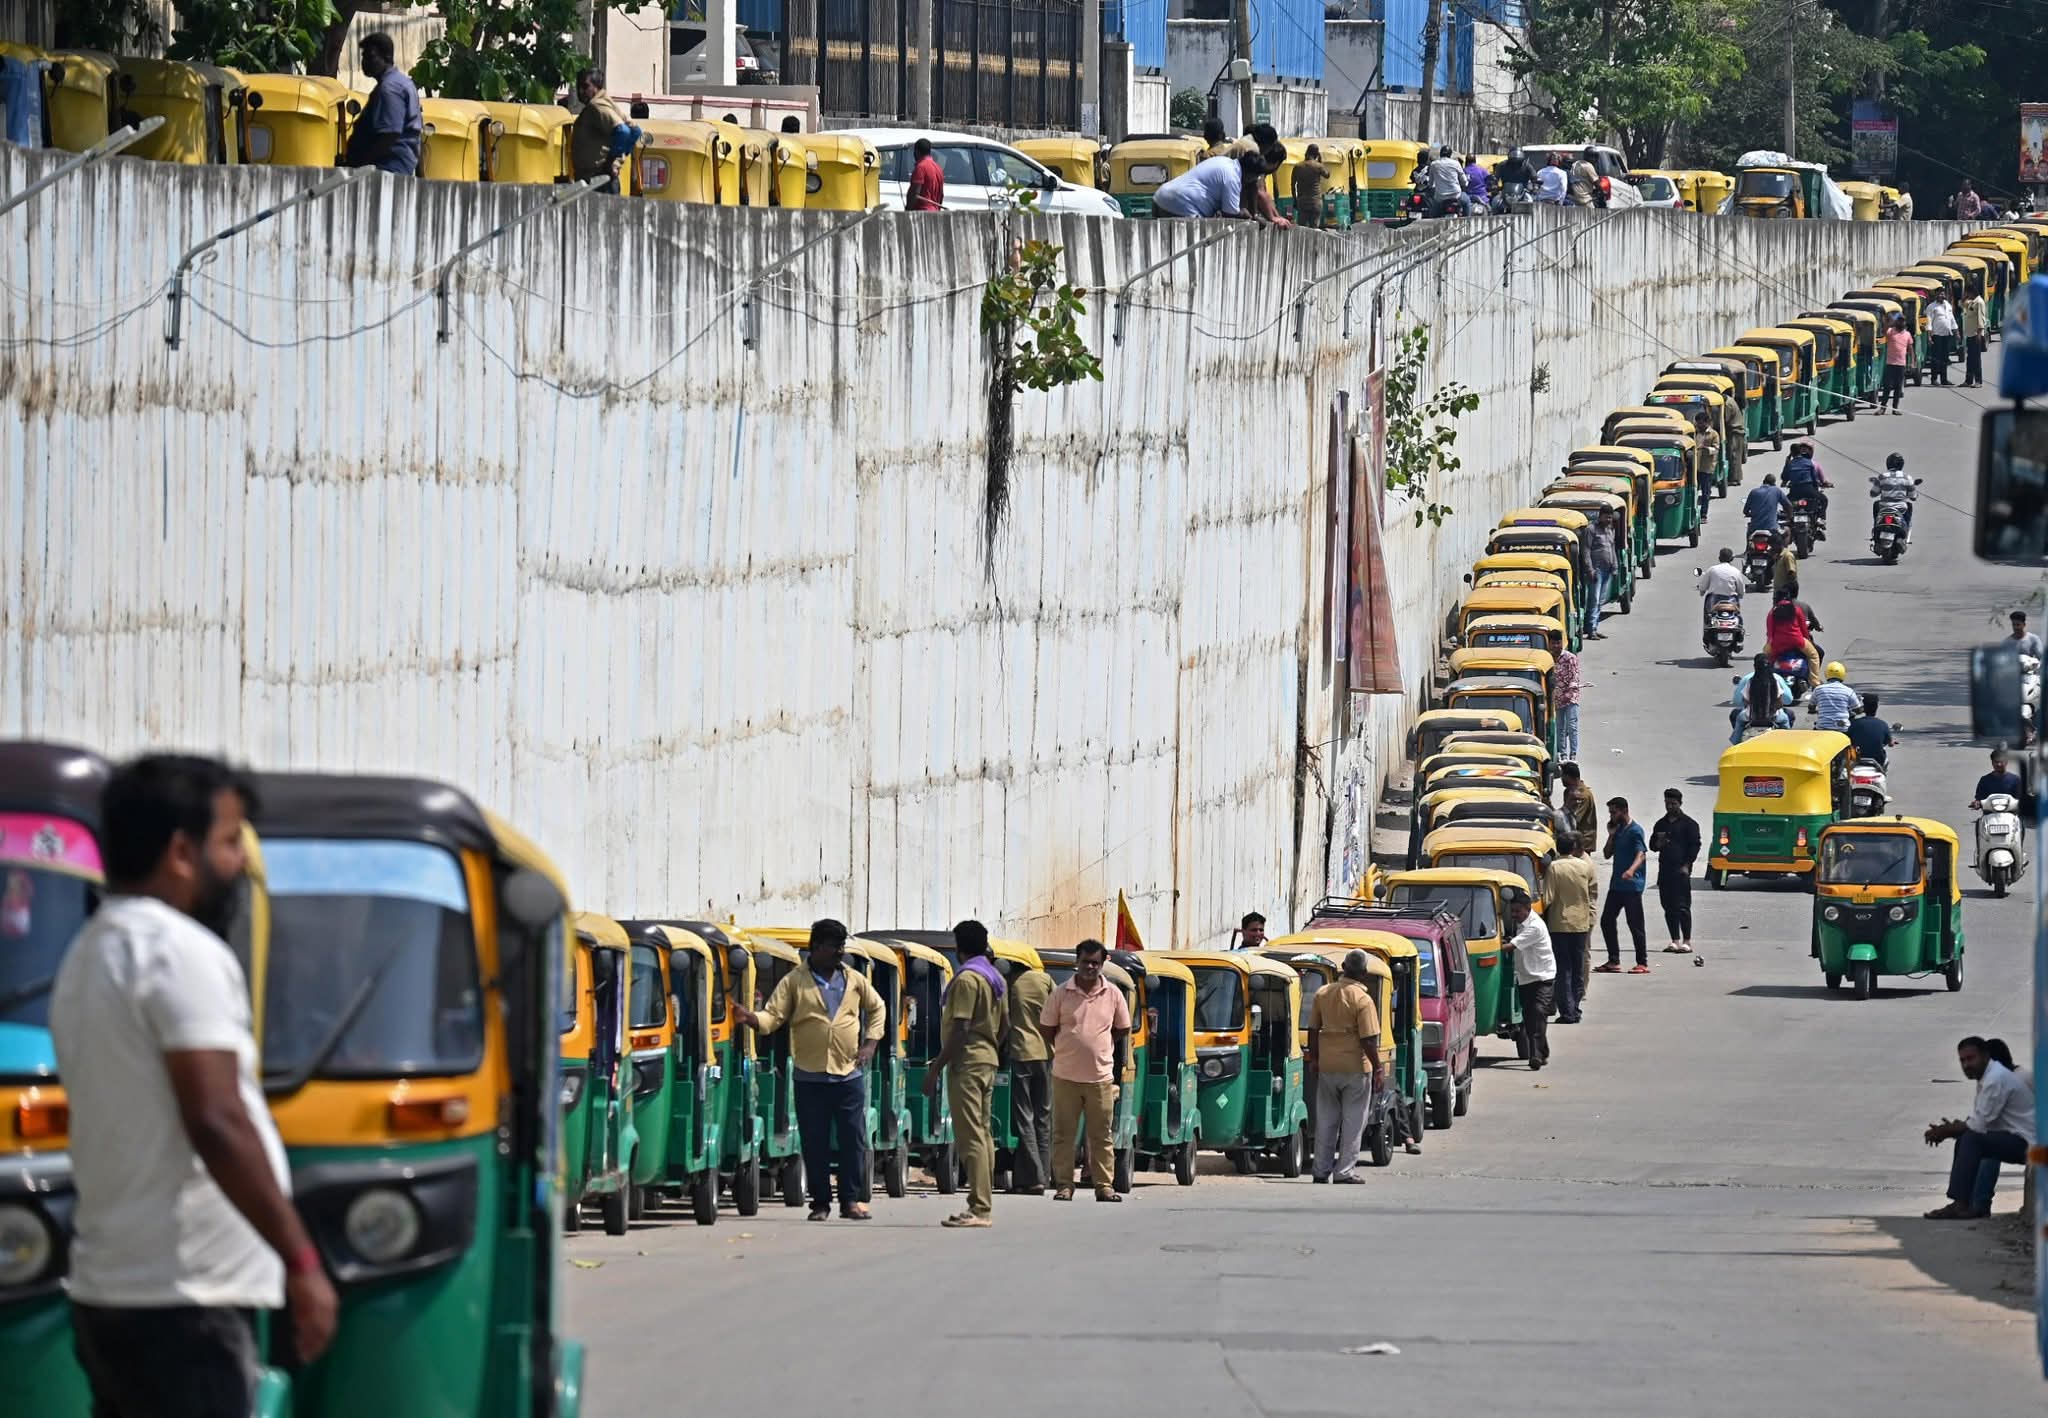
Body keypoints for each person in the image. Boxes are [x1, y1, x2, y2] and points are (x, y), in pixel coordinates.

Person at [50, 756, 338, 1411]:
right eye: (230, 842)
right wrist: (302, 1263)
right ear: (182, 852)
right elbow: (216, 1118)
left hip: (113, 1292)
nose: (238, 863)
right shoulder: (179, 952)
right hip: (185, 1303)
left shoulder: (87, 953)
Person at [737, 918, 886, 1220]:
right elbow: (773, 1016)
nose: (839, 954)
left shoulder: (855, 979)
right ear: (815, 948)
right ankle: (820, 1204)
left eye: (842, 947)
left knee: (853, 1140)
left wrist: (870, 1043)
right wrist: (752, 1019)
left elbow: (877, 1007)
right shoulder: (794, 981)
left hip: (848, 1075)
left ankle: (851, 1201)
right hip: (810, 1076)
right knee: (814, 1142)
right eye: (834, 947)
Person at [924, 920, 1005, 1226]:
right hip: (987, 1059)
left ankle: (980, 1208)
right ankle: (980, 1202)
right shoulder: (994, 977)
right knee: (983, 1135)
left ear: (959, 947)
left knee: (971, 1137)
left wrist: (936, 1068)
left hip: (968, 1063)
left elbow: (960, 1029)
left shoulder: (968, 980)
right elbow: (1006, 1025)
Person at [1038, 938, 1132, 1202]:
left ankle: (1104, 1186)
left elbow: (1123, 1028)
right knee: (1063, 1135)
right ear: (1076, 963)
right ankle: (1064, 1186)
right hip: (1065, 1076)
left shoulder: (1113, 994)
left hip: (1100, 1078)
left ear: (1102, 964)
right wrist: (1067, 1045)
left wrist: (1102, 1045)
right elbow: (1046, 1027)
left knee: (1101, 1136)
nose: (1089, 967)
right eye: (1085, 962)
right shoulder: (1060, 993)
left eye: (1095, 963)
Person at [1923, 1035, 2034, 1219]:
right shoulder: (1989, 1076)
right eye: (1962, 1060)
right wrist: (1951, 1129)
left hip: (2029, 1144)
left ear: (1985, 1056)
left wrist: (1945, 1131)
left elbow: (1977, 1125)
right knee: (1967, 1139)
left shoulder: (1995, 1079)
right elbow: (1980, 1120)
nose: (1966, 1065)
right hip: (2018, 1138)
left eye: (1971, 1058)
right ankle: (1962, 1202)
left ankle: (1964, 1204)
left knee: (1972, 1139)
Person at [1304, 948, 1382, 1183]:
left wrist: (1315, 1059)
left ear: (1343, 969)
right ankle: (1344, 1171)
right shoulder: (1363, 1000)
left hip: (1327, 1065)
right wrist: (1378, 1067)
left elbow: (1312, 1030)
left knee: (1326, 1121)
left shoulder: (1322, 993)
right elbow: (1368, 1039)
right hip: (1355, 1069)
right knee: (1353, 1122)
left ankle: (1320, 1170)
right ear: (1364, 973)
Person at [1004, 960, 1055, 1195]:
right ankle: (1042, 1176)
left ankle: (1034, 1177)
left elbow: (1005, 1021)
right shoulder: (1044, 980)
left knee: (1024, 1118)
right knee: (1043, 1118)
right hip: (1046, 1054)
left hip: (1021, 1054)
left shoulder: (1012, 984)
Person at [343, 32, 421, 175]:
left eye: (371, 57)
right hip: (394, 167)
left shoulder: (389, 89)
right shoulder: (403, 83)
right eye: (363, 57)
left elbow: (389, 136)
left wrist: (360, 164)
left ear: (387, 57)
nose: (365, 62)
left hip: (386, 169)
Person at [1542, 833, 1598, 1024]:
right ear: (1574, 848)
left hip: (1559, 924)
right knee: (1577, 968)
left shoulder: (1554, 868)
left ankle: (1567, 1011)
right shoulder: (1585, 866)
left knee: (1563, 968)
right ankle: (1575, 1008)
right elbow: (1592, 892)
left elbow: (1547, 898)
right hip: (1581, 923)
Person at [1503, 887, 1556, 1068]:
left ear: (1528, 908)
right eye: (1513, 911)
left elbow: (1511, 947)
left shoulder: (1534, 926)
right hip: (1526, 977)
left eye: (1518, 911)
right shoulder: (1521, 923)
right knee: (1529, 1016)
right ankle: (1543, 1050)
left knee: (1538, 1012)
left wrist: (1486, 946)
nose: (1515, 915)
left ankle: (1536, 1056)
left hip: (1542, 976)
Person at [1597, 796, 1649, 973]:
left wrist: (1631, 870)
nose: (1611, 816)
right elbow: (1606, 854)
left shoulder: (1635, 830)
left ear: (1624, 810)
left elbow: (1641, 854)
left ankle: (1642, 962)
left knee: (1635, 924)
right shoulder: (1618, 831)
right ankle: (1613, 960)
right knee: (1606, 920)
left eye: (1614, 812)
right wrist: (1611, 836)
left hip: (1632, 885)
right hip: (1617, 885)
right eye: (1610, 812)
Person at [1648, 788, 1700, 954]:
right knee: (1668, 906)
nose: (1670, 806)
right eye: (1667, 803)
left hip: (1681, 872)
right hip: (1665, 872)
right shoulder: (1660, 824)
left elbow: (1695, 846)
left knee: (1683, 907)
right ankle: (1674, 940)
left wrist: (1687, 865)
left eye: (1673, 803)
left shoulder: (1689, 824)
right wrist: (1658, 843)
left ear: (1680, 803)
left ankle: (1687, 941)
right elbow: (1652, 846)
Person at [569, 68, 635, 189]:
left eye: (585, 86)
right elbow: (635, 131)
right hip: (599, 179)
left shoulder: (596, 106)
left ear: (596, 87)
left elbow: (624, 132)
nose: (580, 91)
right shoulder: (605, 103)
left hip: (598, 180)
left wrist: (610, 162)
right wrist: (618, 160)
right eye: (578, 86)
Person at [1152, 152, 1249, 220]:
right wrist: (1245, 214)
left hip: (1160, 196)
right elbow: (1230, 213)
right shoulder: (1233, 178)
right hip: (1182, 205)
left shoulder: (1224, 161)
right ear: (1251, 175)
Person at [1547, 629, 1582, 760]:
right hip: (1556, 699)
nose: (1556, 646)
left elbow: (1575, 677)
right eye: (1553, 643)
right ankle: (1563, 753)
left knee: (1572, 725)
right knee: (1559, 727)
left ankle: (1573, 754)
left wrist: (1569, 692)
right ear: (1549, 644)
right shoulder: (1548, 659)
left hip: (1570, 697)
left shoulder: (1570, 658)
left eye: (1558, 643)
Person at [1781, 441, 1829, 530]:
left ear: (1791, 453)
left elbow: (1784, 477)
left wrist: (1786, 462)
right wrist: (1815, 487)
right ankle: (1821, 519)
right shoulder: (1808, 462)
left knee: (1785, 503)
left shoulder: (1790, 464)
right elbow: (1814, 478)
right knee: (1824, 499)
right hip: (1808, 490)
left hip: (1794, 491)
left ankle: (1789, 519)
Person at [1587, 509, 1619, 638]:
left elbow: (1612, 549)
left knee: (1600, 601)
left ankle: (1595, 627)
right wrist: (1590, 570)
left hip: (1607, 570)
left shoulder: (1610, 530)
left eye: (1610, 518)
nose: (1608, 520)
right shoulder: (1591, 530)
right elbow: (1586, 551)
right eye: (1606, 517)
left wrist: (1615, 567)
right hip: (1596, 571)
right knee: (1594, 600)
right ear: (1600, 517)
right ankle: (1590, 630)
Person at [1871, 452, 1917, 537]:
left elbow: (1873, 493)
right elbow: (1913, 496)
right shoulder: (1907, 477)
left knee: (1876, 504)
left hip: (1884, 507)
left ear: (1888, 463)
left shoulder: (1882, 476)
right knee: (1909, 506)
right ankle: (1905, 532)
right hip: (1901, 508)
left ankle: (1876, 528)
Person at [1559, 762, 1598, 854]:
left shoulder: (1582, 795)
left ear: (1571, 777)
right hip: (1572, 838)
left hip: (1581, 841)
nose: (1562, 779)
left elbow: (1574, 819)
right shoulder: (1568, 791)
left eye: (1564, 776)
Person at [1847, 692, 1893, 767]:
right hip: (1878, 760)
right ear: (1876, 707)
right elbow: (1889, 743)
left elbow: (1848, 740)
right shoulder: (1882, 724)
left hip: (1857, 760)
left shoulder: (1854, 724)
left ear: (1863, 708)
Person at [1811, 661, 1860, 731]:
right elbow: (1858, 710)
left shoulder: (1818, 689)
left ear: (1826, 674)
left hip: (1822, 727)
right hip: (1842, 728)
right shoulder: (1848, 691)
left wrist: (1813, 709)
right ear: (1843, 674)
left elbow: (1811, 706)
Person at [1291, 143, 1328, 229]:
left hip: (1302, 202)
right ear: (1316, 154)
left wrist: (1295, 200)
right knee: (1314, 228)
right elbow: (1327, 175)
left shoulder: (1298, 166)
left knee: (1301, 229)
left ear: (1306, 152)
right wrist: (1320, 161)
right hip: (1315, 202)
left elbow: (1293, 185)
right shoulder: (1318, 166)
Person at [1881, 315, 1911, 414]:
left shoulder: (1907, 334)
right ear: (1896, 322)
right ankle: (1882, 407)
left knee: (1898, 387)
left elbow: (1910, 348)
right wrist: (1889, 323)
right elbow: (1883, 332)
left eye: (1903, 321)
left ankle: (1895, 408)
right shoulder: (1891, 331)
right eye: (1899, 321)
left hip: (1901, 364)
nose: (1901, 323)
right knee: (1887, 386)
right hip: (1890, 363)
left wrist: (1912, 361)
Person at [906, 137, 945, 211]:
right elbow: (941, 195)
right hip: (935, 212)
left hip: (921, 213)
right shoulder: (939, 168)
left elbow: (915, 193)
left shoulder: (920, 167)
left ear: (917, 151)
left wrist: (907, 211)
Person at [1423, 145, 1465, 213]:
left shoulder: (1434, 164)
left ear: (1440, 154)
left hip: (1440, 196)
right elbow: (1464, 180)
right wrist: (1465, 184)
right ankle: (1468, 221)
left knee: (1433, 213)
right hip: (1456, 194)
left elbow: (1430, 183)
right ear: (1450, 154)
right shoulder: (1456, 163)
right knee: (1467, 202)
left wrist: (1431, 187)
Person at [1926, 293, 1957, 385]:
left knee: (1945, 357)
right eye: (1940, 294)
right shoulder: (1931, 306)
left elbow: (1952, 319)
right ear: (1936, 295)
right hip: (1936, 335)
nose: (1942, 296)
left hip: (1946, 334)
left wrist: (1956, 332)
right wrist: (1929, 336)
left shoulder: (1948, 305)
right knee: (1936, 358)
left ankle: (1944, 379)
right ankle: (1934, 378)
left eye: (1943, 294)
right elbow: (1929, 322)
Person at [1961, 287, 1989, 387]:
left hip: (1976, 334)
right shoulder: (1972, 302)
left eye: (1967, 293)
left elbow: (1981, 318)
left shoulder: (1979, 302)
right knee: (1970, 359)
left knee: (1976, 359)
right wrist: (1964, 297)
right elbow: (1962, 304)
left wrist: (1979, 333)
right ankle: (1968, 381)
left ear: (1971, 292)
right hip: (1970, 334)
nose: (1966, 295)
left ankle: (1978, 381)